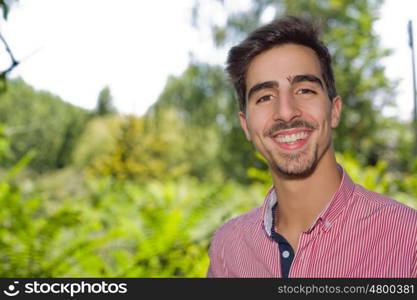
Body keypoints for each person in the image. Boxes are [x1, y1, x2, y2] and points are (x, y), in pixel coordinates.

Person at [206, 16, 417, 278]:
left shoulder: (409, 240)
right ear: (246, 125)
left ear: (335, 110)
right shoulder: (228, 249)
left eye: (304, 90)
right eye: (265, 96)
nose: (286, 112)